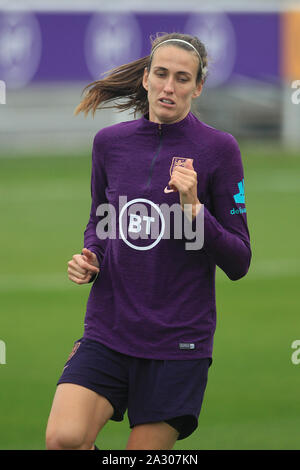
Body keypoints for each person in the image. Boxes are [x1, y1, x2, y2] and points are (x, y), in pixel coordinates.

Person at [45, 32, 251, 450]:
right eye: (161, 74)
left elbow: (239, 260)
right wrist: (92, 257)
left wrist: (195, 210)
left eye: (181, 78)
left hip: (179, 341)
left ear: (198, 87)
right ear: (145, 78)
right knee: (63, 440)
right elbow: (100, 222)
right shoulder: (109, 144)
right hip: (109, 328)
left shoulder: (219, 149)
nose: (169, 87)